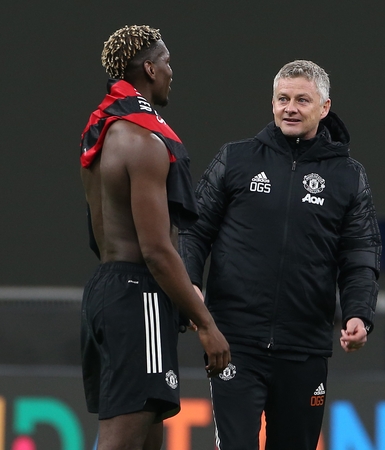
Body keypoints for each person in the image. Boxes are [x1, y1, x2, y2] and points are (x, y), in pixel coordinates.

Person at [179, 60, 381, 450]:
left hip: (304, 346)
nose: (290, 107)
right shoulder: (235, 159)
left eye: (301, 100)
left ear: (324, 107)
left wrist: (359, 313)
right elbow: (194, 228)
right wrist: (190, 284)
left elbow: (360, 252)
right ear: (271, 103)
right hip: (234, 340)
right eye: (282, 98)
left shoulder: (348, 176)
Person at [79, 25, 230, 450]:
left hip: (110, 289)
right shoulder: (142, 141)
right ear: (148, 68)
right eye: (165, 61)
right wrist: (205, 323)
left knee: (145, 438)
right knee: (123, 437)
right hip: (136, 292)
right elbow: (157, 251)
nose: (169, 70)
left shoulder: (101, 132)